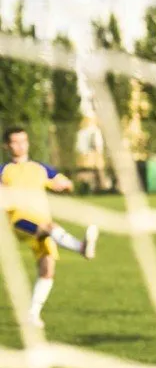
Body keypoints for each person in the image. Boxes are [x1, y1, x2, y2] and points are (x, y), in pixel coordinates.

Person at [1, 128, 99, 328]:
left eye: (24, 141)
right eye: (15, 142)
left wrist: (65, 186)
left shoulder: (41, 168)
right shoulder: (3, 170)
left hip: (43, 222)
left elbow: (63, 183)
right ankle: (81, 247)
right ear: (6, 146)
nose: (21, 145)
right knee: (49, 226)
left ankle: (32, 315)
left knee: (47, 269)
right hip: (19, 221)